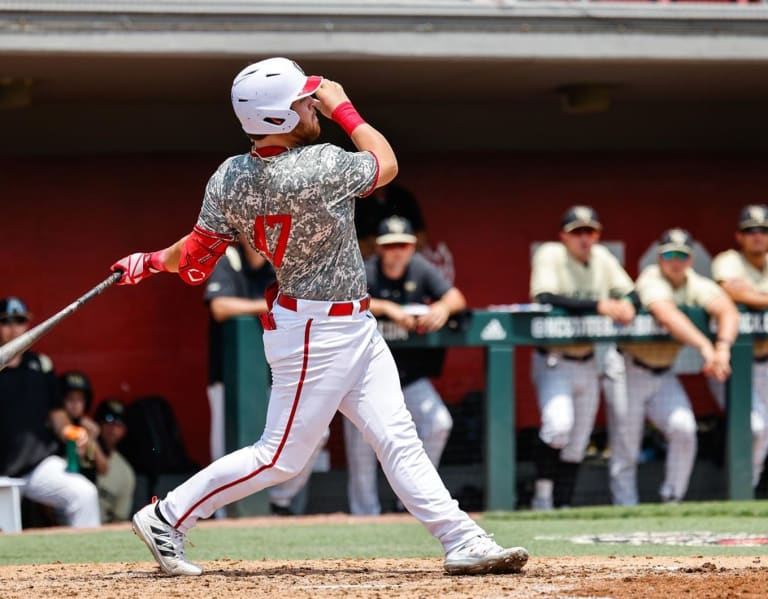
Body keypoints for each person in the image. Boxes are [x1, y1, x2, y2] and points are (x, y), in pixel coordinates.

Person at [111, 57, 527, 576]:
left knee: (397, 435)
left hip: (350, 324)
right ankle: (167, 517)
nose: (312, 104)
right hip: (316, 329)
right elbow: (386, 162)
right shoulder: (321, 164)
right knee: (280, 457)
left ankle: (461, 539)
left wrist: (148, 263)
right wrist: (343, 107)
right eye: (302, 102)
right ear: (280, 119)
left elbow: (194, 256)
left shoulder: (230, 175)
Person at [604, 228, 739, 505]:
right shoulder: (651, 277)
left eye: (681, 255)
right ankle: (624, 506)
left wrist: (723, 347)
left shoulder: (694, 282)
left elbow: (728, 309)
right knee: (626, 445)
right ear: (659, 257)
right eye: (669, 255)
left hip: (664, 372)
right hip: (629, 368)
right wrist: (705, 347)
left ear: (690, 259)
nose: (675, 261)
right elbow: (666, 314)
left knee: (684, 429)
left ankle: (672, 498)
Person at [343, 215, 463, 515]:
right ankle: (364, 514)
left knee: (438, 423)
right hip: (361, 377)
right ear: (379, 248)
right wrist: (386, 308)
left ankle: (411, 500)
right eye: (391, 245)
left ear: (413, 247)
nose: (397, 251)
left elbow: (456, 297)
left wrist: (443, 307)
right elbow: (342, 303)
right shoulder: (365, 270)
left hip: (407, 374)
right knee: (361, 447)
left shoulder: (420, 268)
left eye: (403, 245)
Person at [205, 236, 328, 516]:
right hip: (230, 376)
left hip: (278, 372)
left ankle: (277, 499)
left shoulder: (280, 266)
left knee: (316, 430)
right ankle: (225, 514)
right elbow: (220, 307)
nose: (262, 241)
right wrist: (267, 307)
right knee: (227, 447)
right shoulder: (229, 259)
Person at [529, 206, 636, 510]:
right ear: (564, 236)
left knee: (577, 442)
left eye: (590, 232)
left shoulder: (602, 257)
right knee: (557, 427)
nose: (585, 239)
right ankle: (542, 498)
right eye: (577, 232)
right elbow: (545, 297)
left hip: (588, 361)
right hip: (554, 360)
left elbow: (632, 291)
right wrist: (599, 305)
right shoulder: (551, 254)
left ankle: (563, 506)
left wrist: (627, 302)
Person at [0, 297, 100, 528]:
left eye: (20, 321)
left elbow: (56, 414)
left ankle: (89, 563)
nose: (14, 328)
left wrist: (71, 431)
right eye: (6, 322)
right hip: (1, 471)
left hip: (36, 466)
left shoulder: (40, 365)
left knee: (84, 494)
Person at [710, 205, 768, 488]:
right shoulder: (728, 260)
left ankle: (752, 490)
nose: (757, 236)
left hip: (765, 362)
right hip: (733, 364)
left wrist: (755, 295)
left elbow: (748, 293)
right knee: (755, 428)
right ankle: (745, 489)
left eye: (763, 231)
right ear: (739, 236)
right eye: (750, 231)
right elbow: (734, 290)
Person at [354, 182, 427, 259]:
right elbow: (352, 245)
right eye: (387, 246)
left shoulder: (402, 197)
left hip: (405, 263)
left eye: (401, 245)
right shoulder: (358, 201)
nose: (395, 252)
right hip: (368, 259)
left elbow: (421, 239)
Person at [93, 398, 136, 523]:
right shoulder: (79, 451)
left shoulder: (126, 473)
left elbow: (119, 521)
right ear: (98, 423)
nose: (113, 429)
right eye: (108, 420)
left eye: (119, 424)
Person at [59, 371, 105, 484]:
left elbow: (104, 469)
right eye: (70, 399)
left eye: (80, 399)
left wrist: (91, 440)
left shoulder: (90, 428)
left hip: (87, 488)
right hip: (61, 489)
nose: (75, 404)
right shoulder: (55, 428)